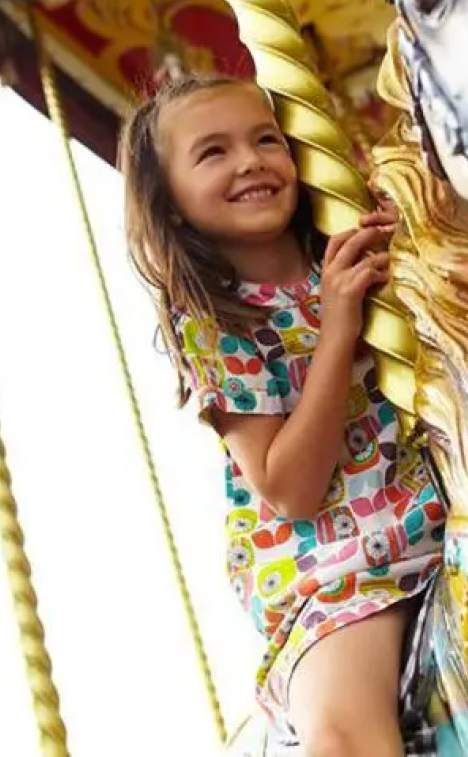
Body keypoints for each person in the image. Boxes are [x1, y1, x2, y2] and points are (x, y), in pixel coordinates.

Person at [120, 72, 445, 757]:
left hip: (449, 500)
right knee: (343, 740)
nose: (250, 161)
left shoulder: (351, 250)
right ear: (170, 203)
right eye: (212, 152)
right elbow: (287, 487)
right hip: (342, 565)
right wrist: (337, 326)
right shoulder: (213, 325)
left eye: (265, 138)